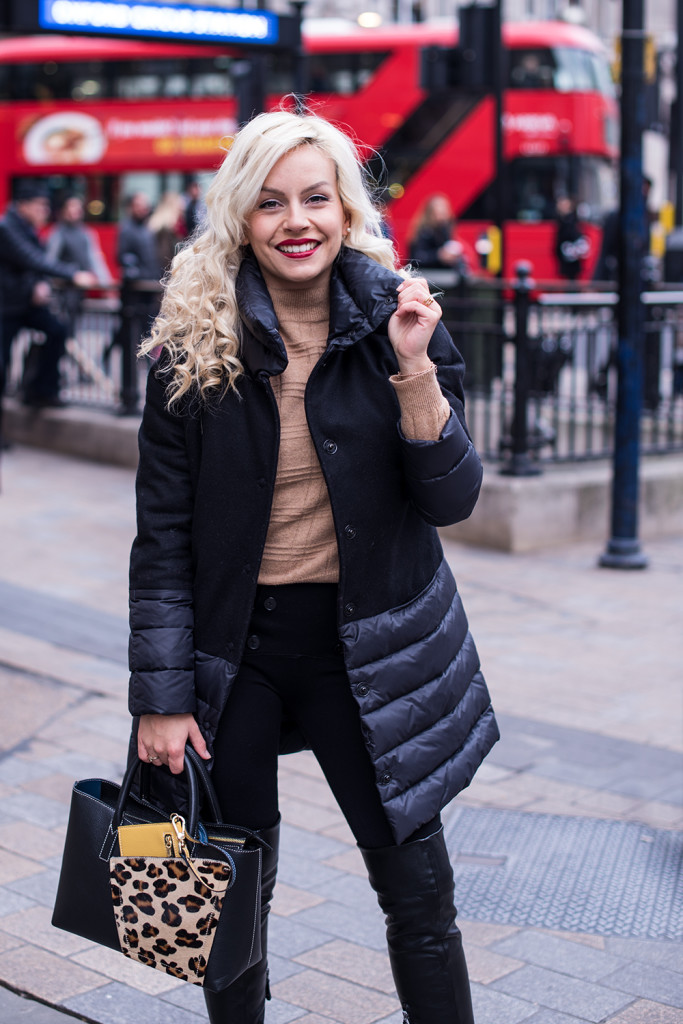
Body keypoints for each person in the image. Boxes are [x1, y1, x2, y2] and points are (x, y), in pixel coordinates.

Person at [128, 109, 499, 1024]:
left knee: (419, 900)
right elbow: (162, 537)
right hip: (237, 656)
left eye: (315, 199)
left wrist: (413, 371)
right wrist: (160, 696)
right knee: (226, 904)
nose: (296, 221)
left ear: (346, 209)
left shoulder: (397, 319)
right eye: (269, 204)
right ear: (240, 219)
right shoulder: (194, 340)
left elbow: (452, 498)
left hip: (369, 652)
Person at [0, 181, 96, 408]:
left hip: (24, 302)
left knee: (57, 331)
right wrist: (74, 274)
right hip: (5, 307)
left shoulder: (26, 226)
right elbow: (31, 259)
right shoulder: (6, 228)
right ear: (23, 205)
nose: (45, 211)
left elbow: (34, 264)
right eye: (41, 205)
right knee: (1, 366)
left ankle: (42, 391)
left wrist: (39, 284)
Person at [45, 195, 112, 334]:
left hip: (78, 290)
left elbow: (95, 259)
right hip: (61, 290)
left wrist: (106, 283)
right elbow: (49, 261)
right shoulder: (58, 233)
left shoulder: (86, 232)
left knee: (72, 326)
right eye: (71, 206)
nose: (75, 211)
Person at [408, 193, 475, 277]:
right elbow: (416, 258)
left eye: (444, 213)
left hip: (444, 277)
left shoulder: (445, 230)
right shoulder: (423, 232)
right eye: (439, 213)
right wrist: (439, 255)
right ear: (430, 214)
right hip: (427, 276)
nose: (442, 217)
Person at [147, 191, 186, 275]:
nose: (183, 208)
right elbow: (165, 256)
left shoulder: (157, 224)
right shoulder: (168, 228)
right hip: (165, 273)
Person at [554, 195, 589, 282]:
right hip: (566, 256)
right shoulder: (562, 220)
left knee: (572, 281)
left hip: (571, 256)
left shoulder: (570, 220)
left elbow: (572, 236)